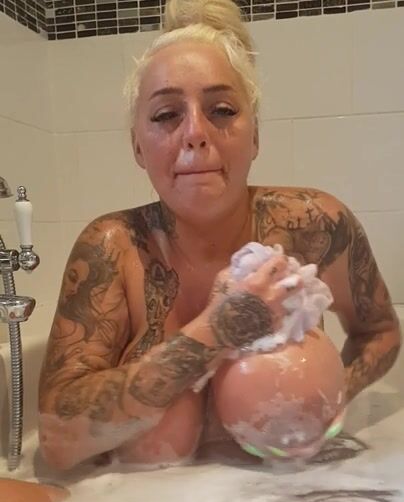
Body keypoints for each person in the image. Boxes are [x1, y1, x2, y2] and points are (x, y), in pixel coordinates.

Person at [38, 0, 401, 471]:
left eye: (222, 110)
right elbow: (57, 441)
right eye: (166, 115)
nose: (195, 132)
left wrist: (328, 401)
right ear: (137, 147)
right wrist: (219, 330)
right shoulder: (113, 248)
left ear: (255, 137)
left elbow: (380, 332)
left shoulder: (316, 224)